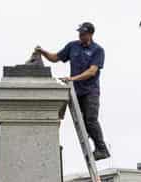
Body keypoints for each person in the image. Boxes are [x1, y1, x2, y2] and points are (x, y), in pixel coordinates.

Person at [36, 22, 109, 161]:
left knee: (91, 120)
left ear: (90, 34)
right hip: (77, 92)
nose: (80, 36)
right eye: (80, 33)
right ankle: (90, 141)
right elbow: (56, 57)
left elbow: (92, 71)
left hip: (90, 92)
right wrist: (43, 52)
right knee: (82, 121)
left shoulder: (98, 50)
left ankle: (101, 149)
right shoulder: (73, 46)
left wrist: (72, 78)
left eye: (83, 33)